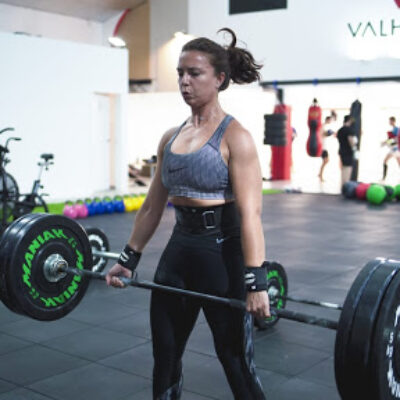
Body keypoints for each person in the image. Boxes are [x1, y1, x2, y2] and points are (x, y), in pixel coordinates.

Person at [106, 27, 270, 400]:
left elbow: (251, 215)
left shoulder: (235, 137)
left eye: (194, 73)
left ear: (219, 79)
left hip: (222, 258)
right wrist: (129, 257)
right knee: (164, 357)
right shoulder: (170, 137)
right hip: (179, 254)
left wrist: (256, 281)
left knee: (235, 361)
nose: (184, 81)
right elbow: (151, 206)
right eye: (180, 72)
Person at [337, 115, 356, 186]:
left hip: (341, 151)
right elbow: (351, 140)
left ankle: (343, 185)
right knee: (347, 169)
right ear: (349, 120)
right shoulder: (349, 130)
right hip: (348, 152)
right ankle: (345, 185)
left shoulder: (340, 130)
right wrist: (354, 148)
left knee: (343, 169)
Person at [318, 114, 337, 182]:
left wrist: (331, 133)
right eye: (330, 120)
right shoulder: (322, 126)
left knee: (326, 161)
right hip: (322, 147)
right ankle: (320, 176)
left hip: (323, 146)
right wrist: (330, 133)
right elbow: (322, 134)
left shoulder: (324, 126)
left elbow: (324, 134)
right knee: (325, 161)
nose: (330, 121)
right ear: (327, 119)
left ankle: (320, 174)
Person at [381, 116, 400, 181]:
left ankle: (383, 177)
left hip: (396, 149)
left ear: (393, 121)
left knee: (399, 163)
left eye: (390, 121)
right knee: (385, 161)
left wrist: (386, 142)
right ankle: (383, 177)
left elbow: (395, 140)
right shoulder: (393, 129)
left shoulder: (396, 129)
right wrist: (385, 142)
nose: (389, 122)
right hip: (392, 149)